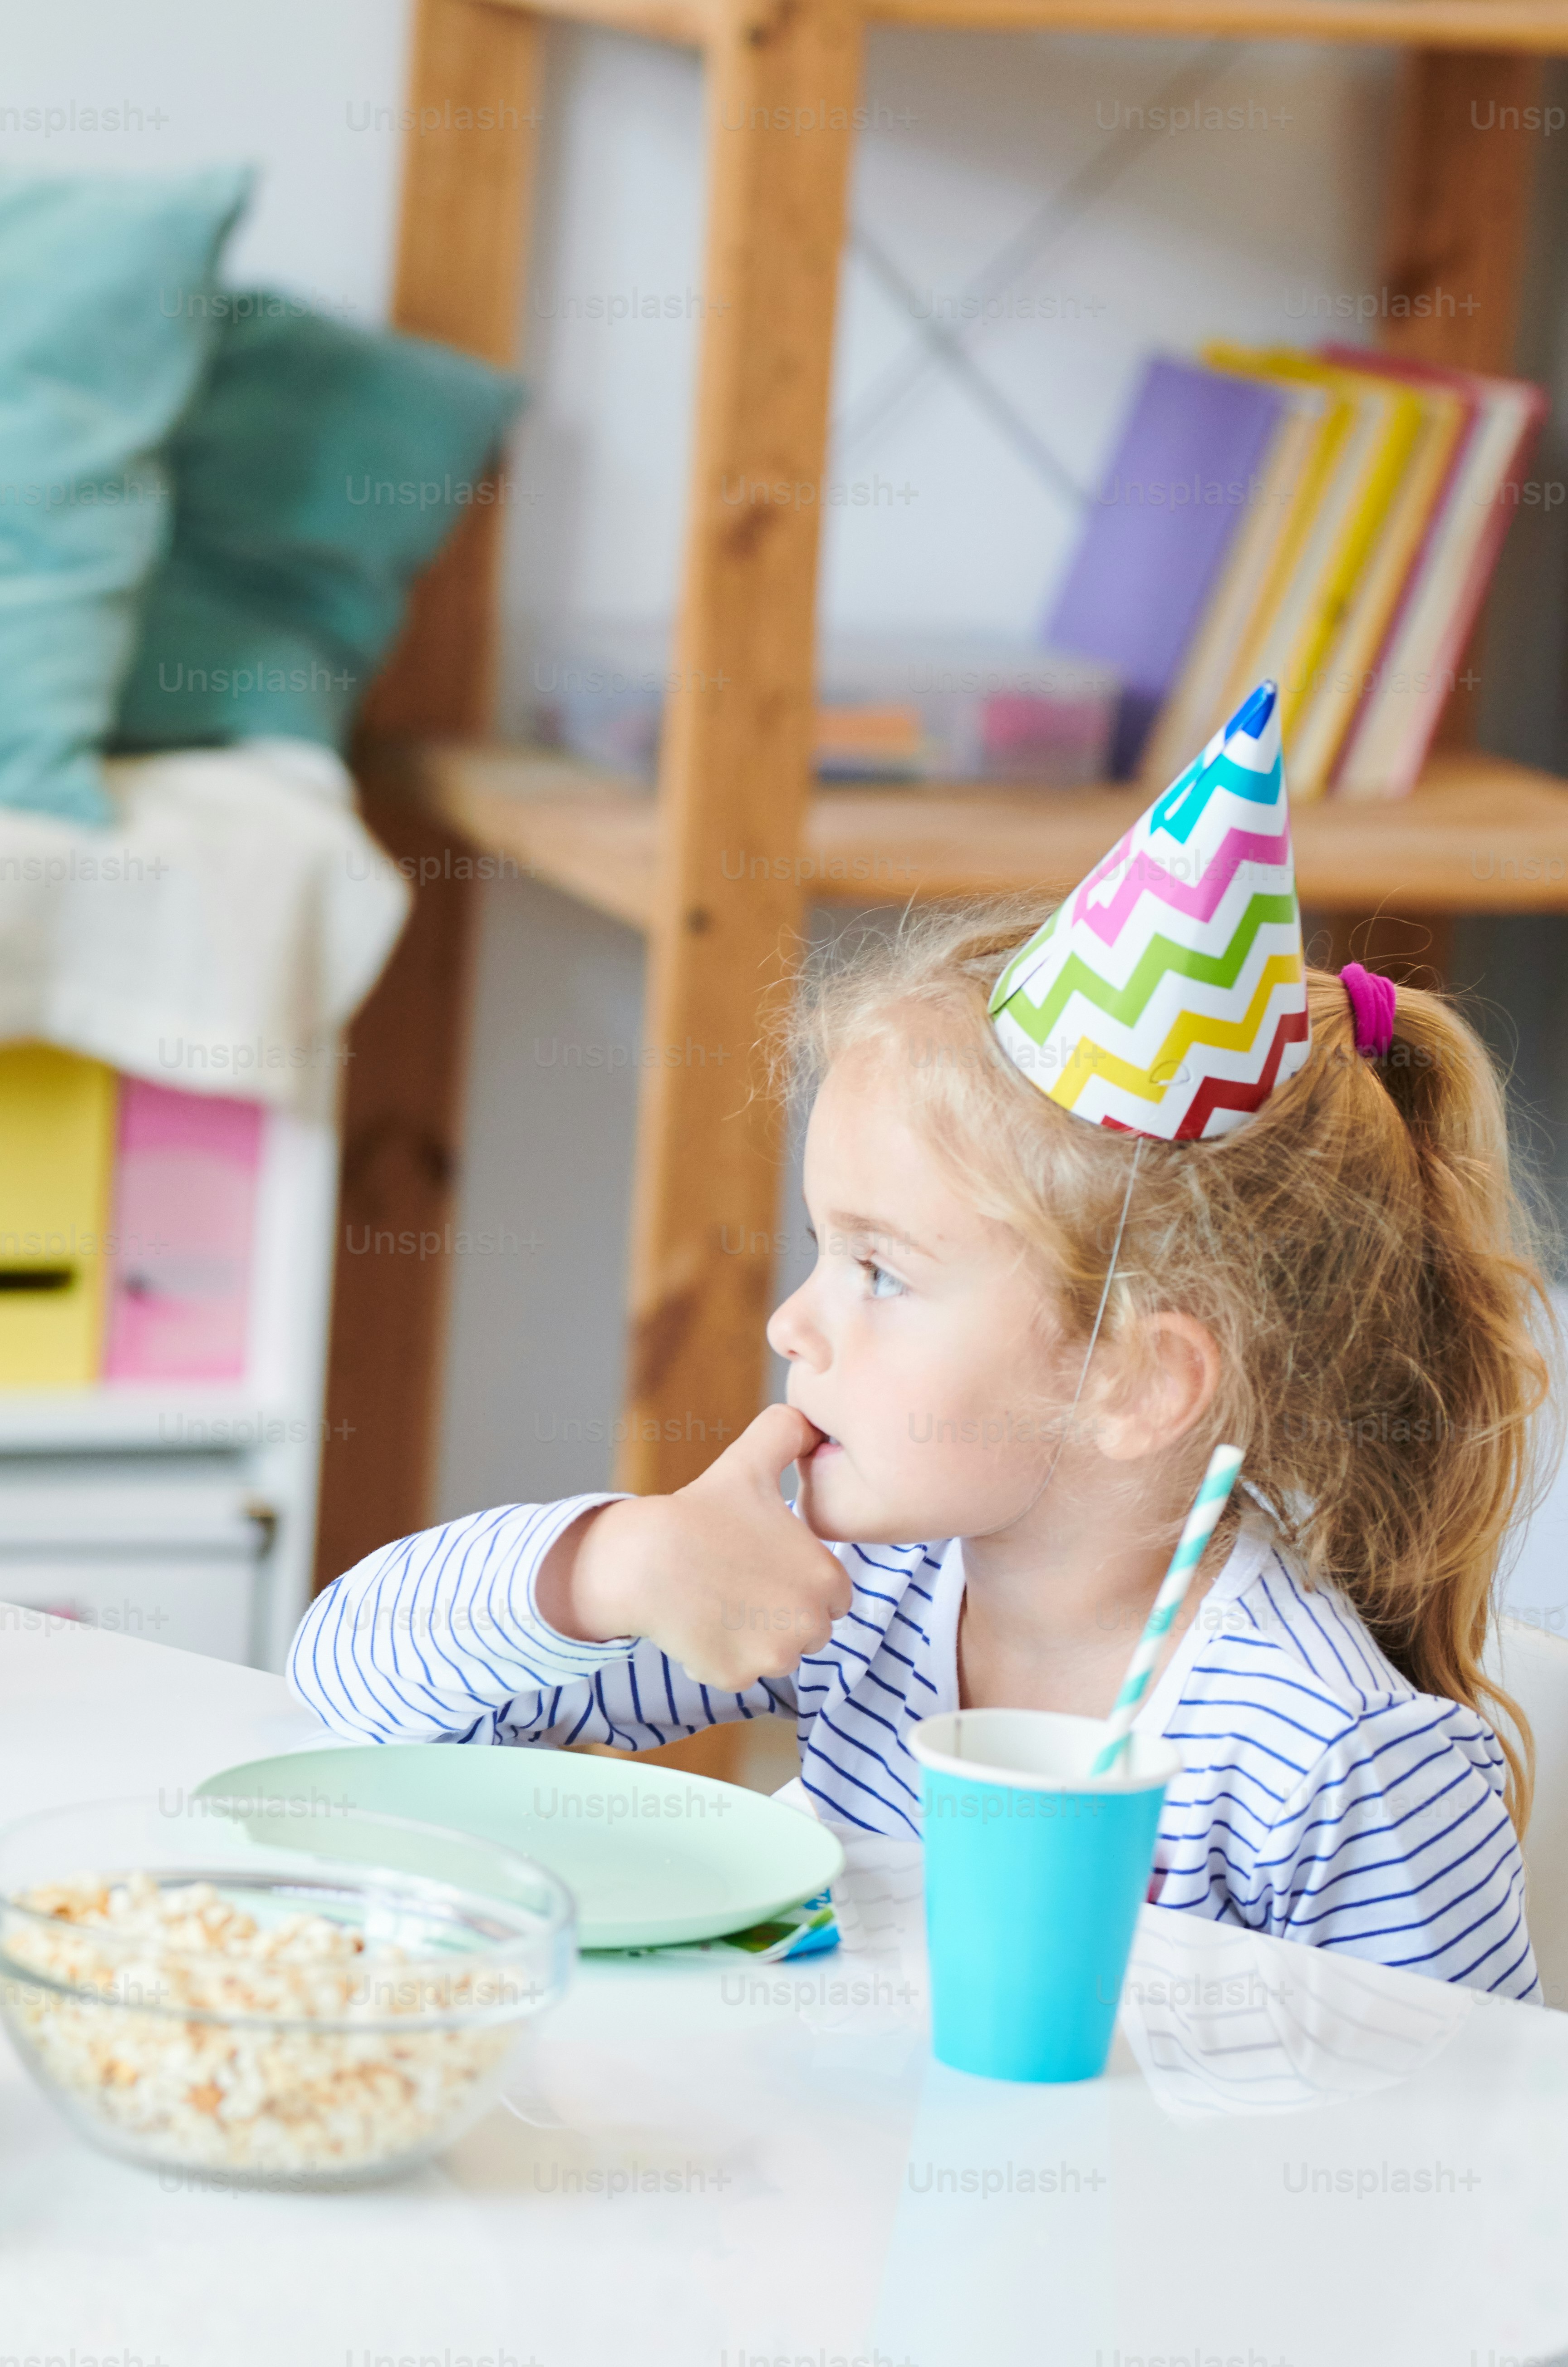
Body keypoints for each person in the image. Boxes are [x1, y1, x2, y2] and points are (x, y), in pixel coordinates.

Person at [293, 689, 1541, 1998]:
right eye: (826, 1247)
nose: (794, 1320)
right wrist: (620, 1564)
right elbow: (352, 1682)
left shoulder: (1324, 1761)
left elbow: (1471, 2157)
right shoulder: (867, 1595)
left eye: (881, 1270)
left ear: (1137, 1381)